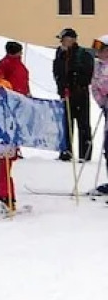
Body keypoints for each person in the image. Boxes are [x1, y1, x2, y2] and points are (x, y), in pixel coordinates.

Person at [52, 28, 94, 162]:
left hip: (80, 94)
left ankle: (85, 154)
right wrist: (62, 89)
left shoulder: (83, 54)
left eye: (65, 40)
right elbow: (57, 73)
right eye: (62, 40)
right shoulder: (60, 54)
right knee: (66, 124)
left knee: (83, 124)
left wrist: (75, 82)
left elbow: (88, 74)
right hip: (65, 95)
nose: (63, 43)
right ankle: (66, 151)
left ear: (73, 40)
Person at [92, 37, 108, 192]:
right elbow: (95, 86)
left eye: (101, 49)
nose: (98, 53)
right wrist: (102, 102)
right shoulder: (98, 66)